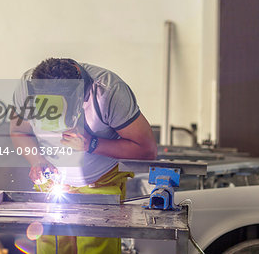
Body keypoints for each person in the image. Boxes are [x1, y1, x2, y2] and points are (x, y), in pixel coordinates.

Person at [10, 58, 157, 254]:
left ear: (79, 98)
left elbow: (147, 149)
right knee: (50, 247)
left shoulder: (108, 91)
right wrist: (37, 160)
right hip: (51, 185)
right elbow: (19, 132)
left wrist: (92, 144)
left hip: (99, 184)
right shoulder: (27, 86)